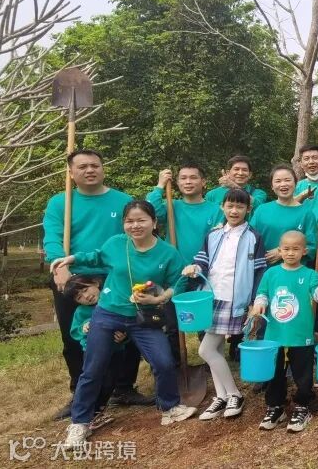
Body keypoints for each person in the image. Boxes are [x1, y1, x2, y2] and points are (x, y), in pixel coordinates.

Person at [52, 200, 197, 447]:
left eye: (141, 220)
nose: (135, 225)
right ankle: (80, 422)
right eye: (129, 221)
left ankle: (169, 407)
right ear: (123, 224)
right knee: (93, 368)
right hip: (108, 313)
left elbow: (179, 282)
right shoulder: (116, 244)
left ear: (154, 222)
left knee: (163, 362)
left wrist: (159, 298)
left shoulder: (168, 253)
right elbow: (96, 257)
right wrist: (71, 258)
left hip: (144, 317)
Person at [42, 149, 145, 419]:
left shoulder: (123, 201)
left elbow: (135, 235)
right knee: (74, 335)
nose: (90, 170)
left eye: (95, 165)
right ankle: (80, 392)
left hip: (114, 277)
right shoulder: (60, 203)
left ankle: (124, 387)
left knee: (126, 331)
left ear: (103, 168)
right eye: (83, 166)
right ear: (71, 173)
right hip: (73, 278)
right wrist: (59, 265)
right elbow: (52, 237)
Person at [183, 188, 267, 421]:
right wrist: (194, 268)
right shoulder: (213, 234)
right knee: (216, 349)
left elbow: (260, 271)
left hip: (234, 299)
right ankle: (221, 396)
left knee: (206, 350)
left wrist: (255, 301)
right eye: (230, 205)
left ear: (248, 209)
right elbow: (203, 261)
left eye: (240, 206)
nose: (234, 210)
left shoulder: (254, 236)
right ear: (222, 206)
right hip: (210, 297)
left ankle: (235, 394)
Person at [251, 231, 318, 432]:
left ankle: (303, 406)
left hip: (300, 334)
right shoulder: (271, 273)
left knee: (303, 373)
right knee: (274, 372)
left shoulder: (309, 274)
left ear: (304, 251)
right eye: (286, 249)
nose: (290, 253)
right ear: (279, 251)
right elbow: (262, 294)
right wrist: (259, 304)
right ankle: (275, 407)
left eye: (296, 249)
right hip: (275, 334)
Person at [148, 163, 225, 364]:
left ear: (203, 182)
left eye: (193, 177)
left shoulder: (215, 210)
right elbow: (150, 211)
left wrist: (200, 265)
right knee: (171, 321)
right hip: (174, 272)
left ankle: (211, 361)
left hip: (204, 272)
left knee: (206, 321)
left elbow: (218, 241)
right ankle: (175, 363)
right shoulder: (171, 206)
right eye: (183, 178)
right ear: (177, 182)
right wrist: (159, 186)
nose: (188, 182)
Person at [68, 278, 130, 431]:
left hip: (116, 351)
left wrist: (124, 336)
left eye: (85, 290)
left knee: (110, 381)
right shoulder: (81, 312)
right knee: (93, 378)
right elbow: (74, 331)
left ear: (95, 283)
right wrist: (83, 328)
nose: (86, 296)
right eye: (79, 297)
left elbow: (127, 323)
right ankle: (85, 414)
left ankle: (98, 410)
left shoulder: (113, 301)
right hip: (92, 351)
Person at [250, 165, 318, 266]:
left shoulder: (306, 214)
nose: (283, 184)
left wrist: (282, 252)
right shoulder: (262, 210)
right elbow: (249, 238)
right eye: (278, 181)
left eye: (287, 180)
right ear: (272, 186)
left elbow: (311, 246)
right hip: (263, 269)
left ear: (295, 183)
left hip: (294, 270)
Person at [293, 145, 318, 216]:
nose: (311, 162)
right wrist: (302, 196)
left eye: (315, 158)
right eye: (306, 159)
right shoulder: (295, 187)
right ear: (301, 164)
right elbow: (287, 209)